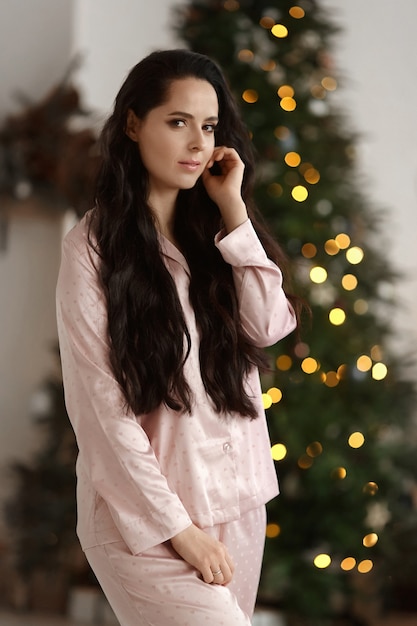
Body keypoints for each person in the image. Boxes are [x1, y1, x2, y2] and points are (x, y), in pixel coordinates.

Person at [56, 49, 299, 626]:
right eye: (178, 122)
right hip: (142, 519)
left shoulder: (217, 228)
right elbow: (103, 414)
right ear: (135, 124)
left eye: (208, 126)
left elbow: (267, 326)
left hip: (236, 500)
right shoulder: (91, 250)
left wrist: (233, 211)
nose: (197, 142)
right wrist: (180, 531)